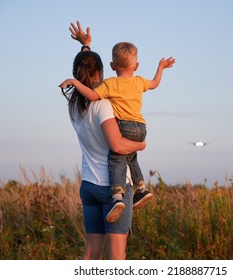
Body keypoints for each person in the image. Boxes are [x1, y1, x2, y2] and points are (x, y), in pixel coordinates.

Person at [60, 38, 175, 223]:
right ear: (136, 66)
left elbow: (90, 93)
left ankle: (117, 196)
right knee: (131, 157)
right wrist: (161, 67)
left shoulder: (107, 87)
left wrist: (74, 81)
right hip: (140, 127)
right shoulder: (138, 81)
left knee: (117, 157)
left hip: (118, 137)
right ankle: (141, 188)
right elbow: (155, 83)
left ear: (112, 66)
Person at [61, 21, 145, 259]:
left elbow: (86, 69)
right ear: (100, 72)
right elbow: (117, 145)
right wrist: (140, 145)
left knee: (92, 251)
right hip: (112, 187)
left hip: (88, 185)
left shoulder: (74, 105)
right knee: (117, 256)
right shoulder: (104, 106)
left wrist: (85, 46)